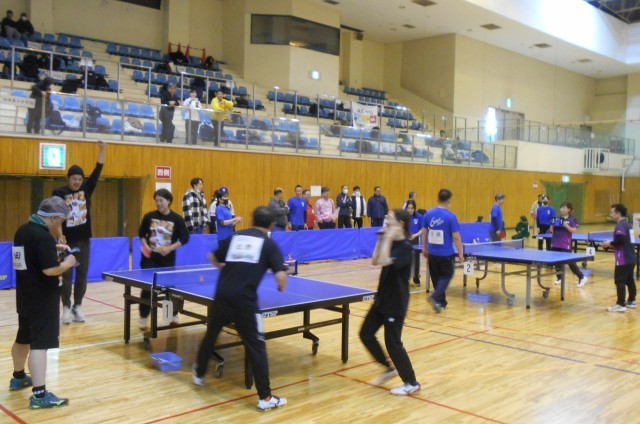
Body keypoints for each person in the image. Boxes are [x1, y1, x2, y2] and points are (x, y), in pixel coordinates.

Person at [193, 206, 290, 411]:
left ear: (252, 220)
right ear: (272, 225)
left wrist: (226, 270)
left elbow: (213, 257)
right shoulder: (269, 244)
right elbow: (281, 279)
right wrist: (282, 282)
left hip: (222, 295)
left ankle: (199, 373)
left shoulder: (236, 237)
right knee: (256, 346)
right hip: (244, 302)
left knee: (211, 334)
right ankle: (265, 398)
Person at [10, 197, 76, 409]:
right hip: (42, 299)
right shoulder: (43, 236)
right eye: (61, 221)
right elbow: (50, 270)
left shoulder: (22, 231)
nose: (60, 225)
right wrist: (68, 262)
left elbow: (30, 258)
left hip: (25, 295)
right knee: (40, 345)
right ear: (54, 217)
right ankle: (39, 395)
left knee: (23, 337)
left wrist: (52, 250)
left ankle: (19, 377)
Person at [359, 209, 421, 396]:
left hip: (396, 302)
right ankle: (388, 368)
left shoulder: (405, 248)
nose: (386, 220)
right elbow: (375, 261)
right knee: (366, 333)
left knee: (393, 343)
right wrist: (381, 240)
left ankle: (411, 382)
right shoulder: (391, 242)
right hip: (382, 298)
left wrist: (387, 238)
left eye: (389, 218)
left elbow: (386, 261)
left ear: (400, 224)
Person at [53, 140, 106, 325]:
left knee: (82, 274)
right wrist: (59, 235)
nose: (77, 181)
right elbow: (56, 216)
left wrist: (102, 149)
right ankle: (66, 308)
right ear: (68, 179)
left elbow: (98, 170)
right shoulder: (59, 192)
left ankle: (78, 306)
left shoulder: (86, 189)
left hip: (84, 239)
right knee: (66, 275)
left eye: (79, 179)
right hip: (67, 241)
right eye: (74, 178)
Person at [138, 189, 190, 329]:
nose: (159, 203)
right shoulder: (149, 217)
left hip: (167, 260)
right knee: (148, 287)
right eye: (157, 201)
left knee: (169, 289)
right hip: (150, 260)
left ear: (169, 201)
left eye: (161, 200)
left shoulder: (177, 219)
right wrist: (146, 246)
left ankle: (170, 315)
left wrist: (170, 248)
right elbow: (142, 234)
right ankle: (143, 317)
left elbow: (185, 238)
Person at [422, 189, 464, 312]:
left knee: (436, 278)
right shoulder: (450, 216)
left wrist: (424, 247)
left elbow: (424, 232)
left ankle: (440, 303)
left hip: (432, 253)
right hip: (446, 254)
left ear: (438, 198)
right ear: (449, 200)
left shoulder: (428, 214)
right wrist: (460, 253)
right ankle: (435, 297)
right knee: (447, 275)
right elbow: (456, 236)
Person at [602, 204, 637, 312]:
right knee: (629, 280)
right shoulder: (628, 225)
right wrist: (612, 245)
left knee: (619, 280)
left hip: (623, 259)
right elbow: (627, 241)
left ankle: (621, 304)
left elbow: (621, 240)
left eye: (612, 212)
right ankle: (631, 301)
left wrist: (609, 243)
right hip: (632, 257)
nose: (610, 214)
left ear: (618, 213)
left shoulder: (620, 226)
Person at [550, 202, 587, 287]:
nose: (561, 209)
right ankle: (559, 278)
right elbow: (551, 230)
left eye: (564, 207)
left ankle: (582, 277)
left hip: (565, 244)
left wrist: (565, 225)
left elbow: (573, 230)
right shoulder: (557, 218)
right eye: (561, 207)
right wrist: (552, 225)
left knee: (570, 262)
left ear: (569, 209)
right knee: (556, 262)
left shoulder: (572, 219)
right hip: (555, 243)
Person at [405, 200, 423, 286]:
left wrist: (415, 235)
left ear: (414, 209)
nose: (410, 210)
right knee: (406, 259)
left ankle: (416, 277)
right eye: (408, 208)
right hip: (406, 240)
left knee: (416, 260)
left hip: (415, 239)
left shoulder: (419, 216)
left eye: (412, 208)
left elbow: (422, 229)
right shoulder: (404, 216)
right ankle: (406, 277)